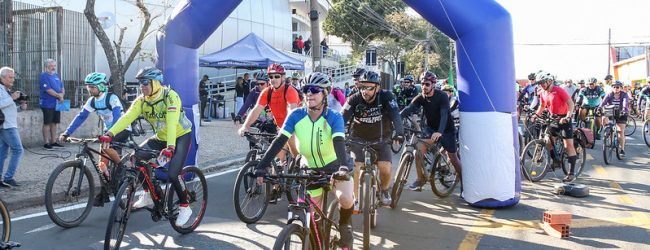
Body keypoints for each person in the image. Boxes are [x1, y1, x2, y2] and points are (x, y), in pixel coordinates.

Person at [254, 72, 355, 248]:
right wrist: (262, 166)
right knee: (313, 223)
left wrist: (344, 168)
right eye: (306, 90)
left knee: (345, 198)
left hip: (336, 167)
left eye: (315, 90)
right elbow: (279, 141)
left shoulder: (334, 116)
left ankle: (345, 225)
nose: (309, 93)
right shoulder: (295, 115)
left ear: (325, 93)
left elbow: (339, 141)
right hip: (310, 170)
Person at [101, 67, 194, 226]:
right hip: (161, 137)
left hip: (180, 136)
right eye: (140, 83)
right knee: (136, 158)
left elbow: (172, 123)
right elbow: (127, 118)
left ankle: (185, 206)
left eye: (145, 82)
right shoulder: (142, 100)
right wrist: (110, 133)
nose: (142, 86)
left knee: (172, 174)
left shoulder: (170, 97)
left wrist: (170, 147)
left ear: (156, 83)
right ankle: (147, 193)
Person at [59, 72, 131, 206]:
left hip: (122, 128)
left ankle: (121, 167)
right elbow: (81, 116)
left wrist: (111, 133)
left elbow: (117, 117)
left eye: (92, 87)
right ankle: (104, 193)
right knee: (101, 165)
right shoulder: (92, 101)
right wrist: (67, 133)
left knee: (106, 148)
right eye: (88, 87)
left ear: (102, 86)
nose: (89, 89)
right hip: (107, 132)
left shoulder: (111, 98)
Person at [342, 70, 404, 206]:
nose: (365, 91)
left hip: (381, 139)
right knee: (356, 167)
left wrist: (399, 132)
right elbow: (342, 118)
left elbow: (395, 114)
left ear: (378, 88)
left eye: (369, 88)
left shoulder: (387, 96)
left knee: (385, 167)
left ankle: (385, 190)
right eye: (362, 87)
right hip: (358, 139)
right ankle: (356, 198)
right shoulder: (353, 98)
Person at [402, 72, 462, 191]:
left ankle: (464, 182)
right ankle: (420, 179)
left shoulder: (442, 96)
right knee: (418, 150)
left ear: (433, 84)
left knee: (453, 157)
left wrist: (440, 131)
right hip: (430, 128)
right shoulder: (421, 97)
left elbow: (444, 114)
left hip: (446, 129)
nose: (424, 86)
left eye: (427, 84)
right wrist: (395, 120)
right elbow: (408, 109)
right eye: (422, 83)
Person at [238, 63, 301, 162]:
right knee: (277, 159)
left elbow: (292, 111)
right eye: (271, 77)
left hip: (294, 127)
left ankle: (297, 166)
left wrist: (286, 129)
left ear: (283, 77)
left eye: (277, 76)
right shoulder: (267, 92)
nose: (273, 79)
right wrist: (245, 126)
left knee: (296, 156)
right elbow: (256, 110)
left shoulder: (290, 91)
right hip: (281, 127)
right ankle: (278, 174)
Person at [532, 71, 579, 182]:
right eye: (539, 83)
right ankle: (556, 162)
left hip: (564, 120)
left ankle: (571, 173)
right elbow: (542, 106)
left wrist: (567, 116)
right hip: (553, 118)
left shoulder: (558, 90)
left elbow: (571, 104)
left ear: (549, 81)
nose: (541, 85)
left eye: (542, 82)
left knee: (568, 146)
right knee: (548, 142)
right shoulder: (542, 92)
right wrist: (535, 115)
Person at [0, 67, 24, 187]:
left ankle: (1, 179)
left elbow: (8, 109)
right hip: (7, 126)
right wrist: (12, 98)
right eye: (10, 77)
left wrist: (20, 108)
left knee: (2, 152)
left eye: (13, 77)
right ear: (2, 77)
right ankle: (8, 178)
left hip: (7, 124)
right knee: (18, 150)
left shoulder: (4, 89)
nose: (12, 80)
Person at [39, 59, 65, 150]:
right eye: (51, 66)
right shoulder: (43, 76)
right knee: (47, 123)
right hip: (47, 103)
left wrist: (61, 95)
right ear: (46, 67)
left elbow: (62, 87)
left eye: (54, 65)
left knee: (54, 122)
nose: (53, 67)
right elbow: (48, 90)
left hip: (57, 103)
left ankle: (53, 141)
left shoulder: (56, 75)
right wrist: (59, 96)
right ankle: (46, 143)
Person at [599, 80, 629, 156]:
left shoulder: (624, 94)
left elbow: (625, 103)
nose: (616, 88)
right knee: (603, 118)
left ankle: (622, 150)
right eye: (614, 87)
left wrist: (624, 110)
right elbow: (603, 103)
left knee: (620, 131)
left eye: (617, 87)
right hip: (611, 112)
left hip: (621, 113)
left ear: (621, 88)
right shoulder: (609, 94)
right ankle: (607, 132)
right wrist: (599, 108)